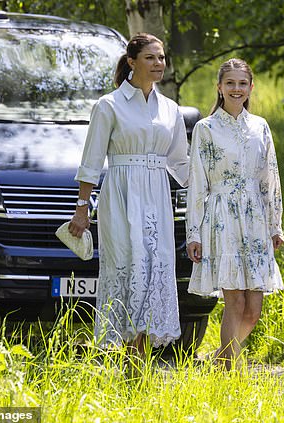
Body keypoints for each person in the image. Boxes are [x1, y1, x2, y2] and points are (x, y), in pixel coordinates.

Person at [68, 33, 190, 354]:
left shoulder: (170, 109)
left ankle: (139, 366)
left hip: (157, 198)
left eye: (161, 58)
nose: (158, 64)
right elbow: (91, 162)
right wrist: (82, 209)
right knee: (126, 266)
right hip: (121, 195)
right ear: (132, 62)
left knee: (154, 270)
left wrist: (214, 184)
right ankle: (122, 360)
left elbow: (180, 163)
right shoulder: (108, 105)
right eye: (150, 58)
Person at [186, 58, 284, 370]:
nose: (236, 89)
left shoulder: (260, 127)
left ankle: (219, 360)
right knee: (236, 302)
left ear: (250, 87)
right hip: (222, 218)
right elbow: (198, 184)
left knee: (253, 309)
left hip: (255, 219)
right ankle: (230, 374)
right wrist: (194, 232)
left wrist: (275, 225)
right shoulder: (206, 129)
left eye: (242, 83)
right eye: (230, 83)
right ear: (219, 87)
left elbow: (270, 178)